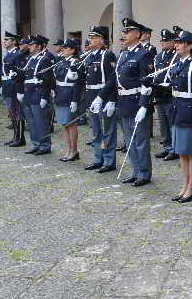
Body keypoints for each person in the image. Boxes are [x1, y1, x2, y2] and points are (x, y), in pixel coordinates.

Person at [166, 29, 192, 201]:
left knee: (191, 151)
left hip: (190, 111)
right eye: (176, 42)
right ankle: (185, 184)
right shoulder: (178, 63)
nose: (176, 45)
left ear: (189, 45)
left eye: (180, 42)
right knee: (182, 152)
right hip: (177, 109)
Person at [115, 18, 153, 185]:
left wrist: (144, 105)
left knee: (140, 139)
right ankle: (135, 170)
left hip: (137, 101)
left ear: (137, 34)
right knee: (129, 139)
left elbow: (148, 82)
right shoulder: (123, 54)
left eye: (127, 31)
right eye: (124, 31)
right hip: (124, 101)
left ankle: (144, 173)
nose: (124, 34)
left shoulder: (144, 54)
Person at [83, 26, 118, 173]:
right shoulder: (89, 56)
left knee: (108, 131)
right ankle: (98, 159)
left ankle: (109, 161)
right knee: (96, 131)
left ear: (102, 40)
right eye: (90, 37)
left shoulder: (107, 55)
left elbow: (112, 80)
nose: (90, 40)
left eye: (93, 37)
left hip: (103, 97)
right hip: (92, 97)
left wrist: (111, 100)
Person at [18, 34, 54, 155]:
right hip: (29, 93)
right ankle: (36, 143)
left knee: (41, 121)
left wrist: (44, 96)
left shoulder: (44, 59)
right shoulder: (30, 59)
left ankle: (45, 145)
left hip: (38, 94)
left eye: (32, 44)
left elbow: (48, 80)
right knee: (32, 122)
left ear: (38, 46)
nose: (30, 46)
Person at [54, 39, 85, 161]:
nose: (63, 50)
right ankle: (69, 149)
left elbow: (78, 83)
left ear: (72, 50)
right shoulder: (61, 62)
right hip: (60, 95)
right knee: (64, 124)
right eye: (63, 48)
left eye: (66, 48)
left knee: (71, 124)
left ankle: (74, 150)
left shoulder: (76, 62)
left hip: (70, 95)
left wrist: (75, 100)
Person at [153, 29, 179, 160]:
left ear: (172, 42)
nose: (162, 43)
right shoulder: (158, 56)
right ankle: (167, 146)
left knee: (171, 122)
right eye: (161, 41)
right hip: (159, 93)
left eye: (165, 41)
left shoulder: (176, 56)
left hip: (169, 93)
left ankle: (175, 148)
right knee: (163, 123)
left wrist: (169, 85)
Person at [1, 32, 25, 146]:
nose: (4, 41)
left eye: (7, 39)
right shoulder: (8, 55)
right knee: (12, 113)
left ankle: (20, 138)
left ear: (14, 41)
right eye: (4, 39)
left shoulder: (18, 54)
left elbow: (20, 73)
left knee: (16, 112)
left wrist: (20, 90)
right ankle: (15, 136)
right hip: (7, 85)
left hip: (14, 86)